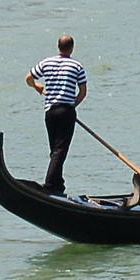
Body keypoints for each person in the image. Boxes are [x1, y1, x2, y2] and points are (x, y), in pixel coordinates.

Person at [26, 34, 87, 195]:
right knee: (60, 150)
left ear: (58, 47)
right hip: (66, 111)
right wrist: (72, 106)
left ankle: (58, 184)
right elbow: (83, 92)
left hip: (50, 111)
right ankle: (51, 185)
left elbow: (29, 78)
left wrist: (38, 87)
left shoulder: (47, 62)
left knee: (55, 150)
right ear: (72, 48)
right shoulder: (77, 66)